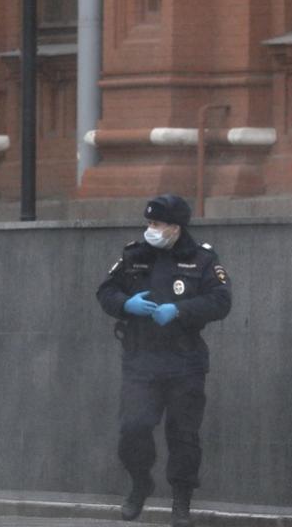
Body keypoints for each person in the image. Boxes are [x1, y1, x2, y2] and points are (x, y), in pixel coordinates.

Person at [95, 195, 232, 527]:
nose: (151, 229)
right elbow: (106, 291)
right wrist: (125, 304)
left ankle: (181, 502)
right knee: (133, 428)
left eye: (157, 224)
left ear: (175, 227)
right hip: (141, 359)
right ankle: (140, 481)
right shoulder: (134, 255)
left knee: (184, 436)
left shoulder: (202, 259)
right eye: (149, 223)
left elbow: (221, 300)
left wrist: (180, 311)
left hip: (184, 361)